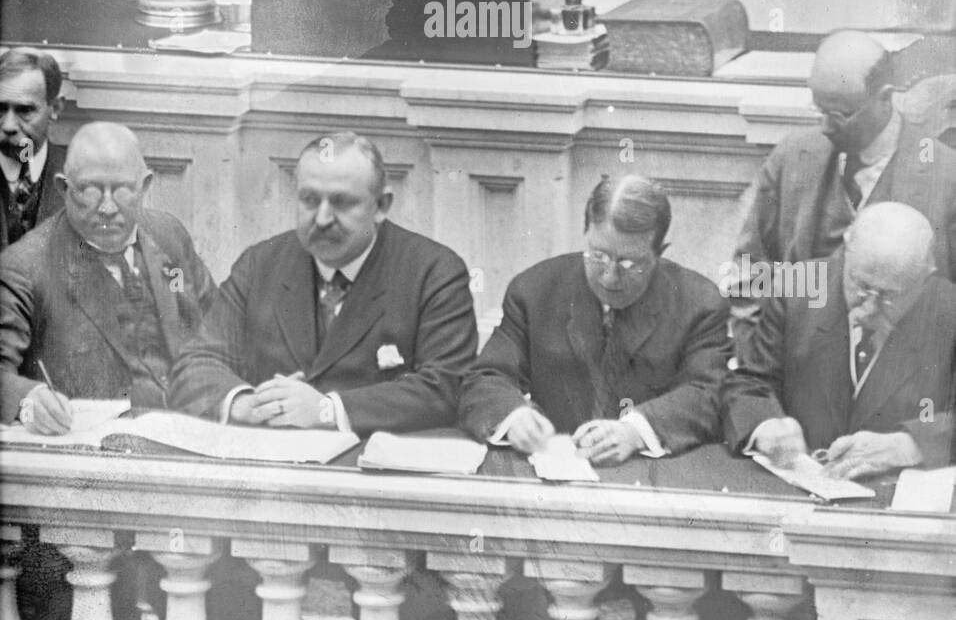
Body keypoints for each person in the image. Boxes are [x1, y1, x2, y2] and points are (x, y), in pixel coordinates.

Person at [170, 131, 478, 433]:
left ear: (382, 206)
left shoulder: (433, 272)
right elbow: (196, 363)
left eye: (342, 202)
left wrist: (329, 410)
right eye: (309, 200)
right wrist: (243, 403)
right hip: (274, 465)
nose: (322, 218)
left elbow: (447, 385)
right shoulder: (260, 264)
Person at [458, 174, 730, 463]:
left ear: (659, 253)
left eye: (629, 263)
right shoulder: (534, 291)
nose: (610, 277)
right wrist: (514, 416)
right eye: (598, 255)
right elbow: (485, 378)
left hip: (649, 476)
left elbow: (710, 393)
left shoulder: (699, 302)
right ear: (586, 232)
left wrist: (636, 432)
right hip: (554, 471)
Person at [0, 121, 219, 428]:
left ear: (144, 186)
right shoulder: (23, 267)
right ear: (64, 188)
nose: (107, 207)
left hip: (191, 435)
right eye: (90, 190)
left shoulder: (169, 236)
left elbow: (218, 326)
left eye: (122, 190)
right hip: (95, 455)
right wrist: (28, 399)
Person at [723, 203, 956, 476]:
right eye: (860, 286)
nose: (868, 308)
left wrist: (911, 444)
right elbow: (749, 382)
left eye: (889, 296)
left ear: (924, 278)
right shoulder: (799, 286)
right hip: (798, 484)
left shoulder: (948, 311)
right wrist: (764, 424)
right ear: (847, 249)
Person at [733, 30, 956, 282]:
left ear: (884, 98)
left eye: (840, 114)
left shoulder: (946, 177)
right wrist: (755, 322)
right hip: (796, 319)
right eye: (820, 110)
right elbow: (749, 272)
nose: (826, 127)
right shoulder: (791, 156)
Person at [0, 48, 65, 250]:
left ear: (55, 108)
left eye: (25, 110)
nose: (8, 126)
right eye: (0, 109)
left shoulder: (82, 177)